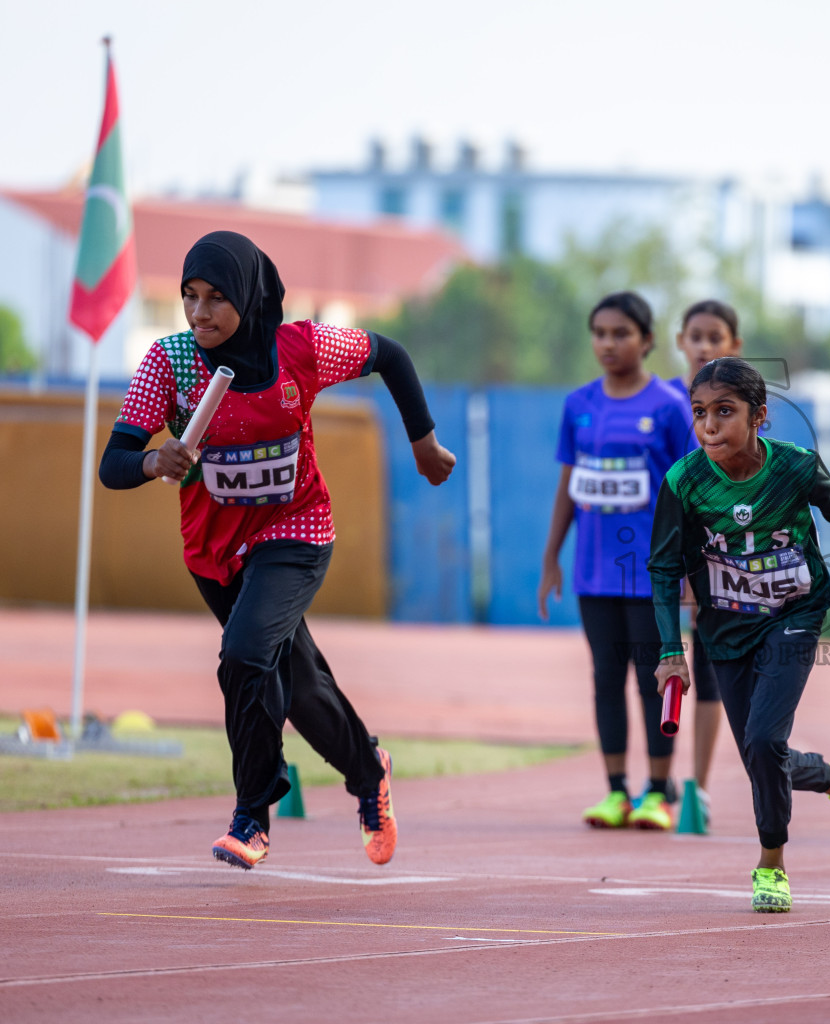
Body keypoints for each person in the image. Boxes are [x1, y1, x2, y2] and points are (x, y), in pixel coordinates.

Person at [99, 231, 456, 870]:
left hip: (296, 533)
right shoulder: (171, 362)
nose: (199, 313)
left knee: (244, 653)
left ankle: (252, 815)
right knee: (298, 686)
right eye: (188, 297)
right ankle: (368, 769)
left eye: (215, 298)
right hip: (215, 551)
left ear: (248, 296)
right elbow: (113, 463)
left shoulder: (302, 348)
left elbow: (390, 355)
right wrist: (156, 459)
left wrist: (423, 443)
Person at [648, 356, 830, 913]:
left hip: (795, 616)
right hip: (725, 629)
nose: (709, 425)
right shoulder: (683, 483)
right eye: (700, 412)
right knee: (764, 754)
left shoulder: (796, 468)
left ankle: (771, 864)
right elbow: (662, 569)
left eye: (724, 412)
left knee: (761, 743)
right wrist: (669, 650)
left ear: (760, 418)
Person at [538, 292, 695, 830]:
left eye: (621, 333)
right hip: (593, 568)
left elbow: (690, 490)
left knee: (652, 677)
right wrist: (551, 557)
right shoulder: (578, 405)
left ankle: (658, 792)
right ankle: (615, 792)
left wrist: (691, 569)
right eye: (600, 332)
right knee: (605, 676)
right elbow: (568, 482)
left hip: (651, 571)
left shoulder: (670, 408)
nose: (608, 343)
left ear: (647, 340)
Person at [669, 300, 745, 823]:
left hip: (723, 557)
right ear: (680, 341)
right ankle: (656, 782)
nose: (704, 346)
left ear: (732, 345)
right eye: (695, 336)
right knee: (657, 665)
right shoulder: (664, 402)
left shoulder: (741, 404)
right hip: (666, 548)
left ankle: (699, 786)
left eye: (714, 336)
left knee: (711, 671)